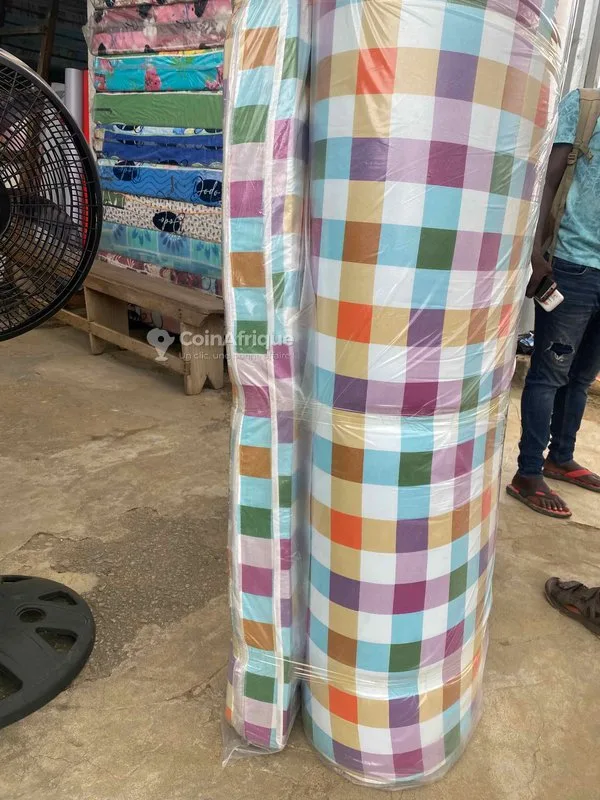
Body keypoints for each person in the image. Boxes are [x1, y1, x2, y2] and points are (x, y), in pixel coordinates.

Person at [507, 88, 600, 518]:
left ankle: (560, 457)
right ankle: (528, 473)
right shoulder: (586, 106)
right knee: (549, 376)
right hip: (571, 264)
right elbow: (547, 179)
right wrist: (534, 251)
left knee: (581, 377)